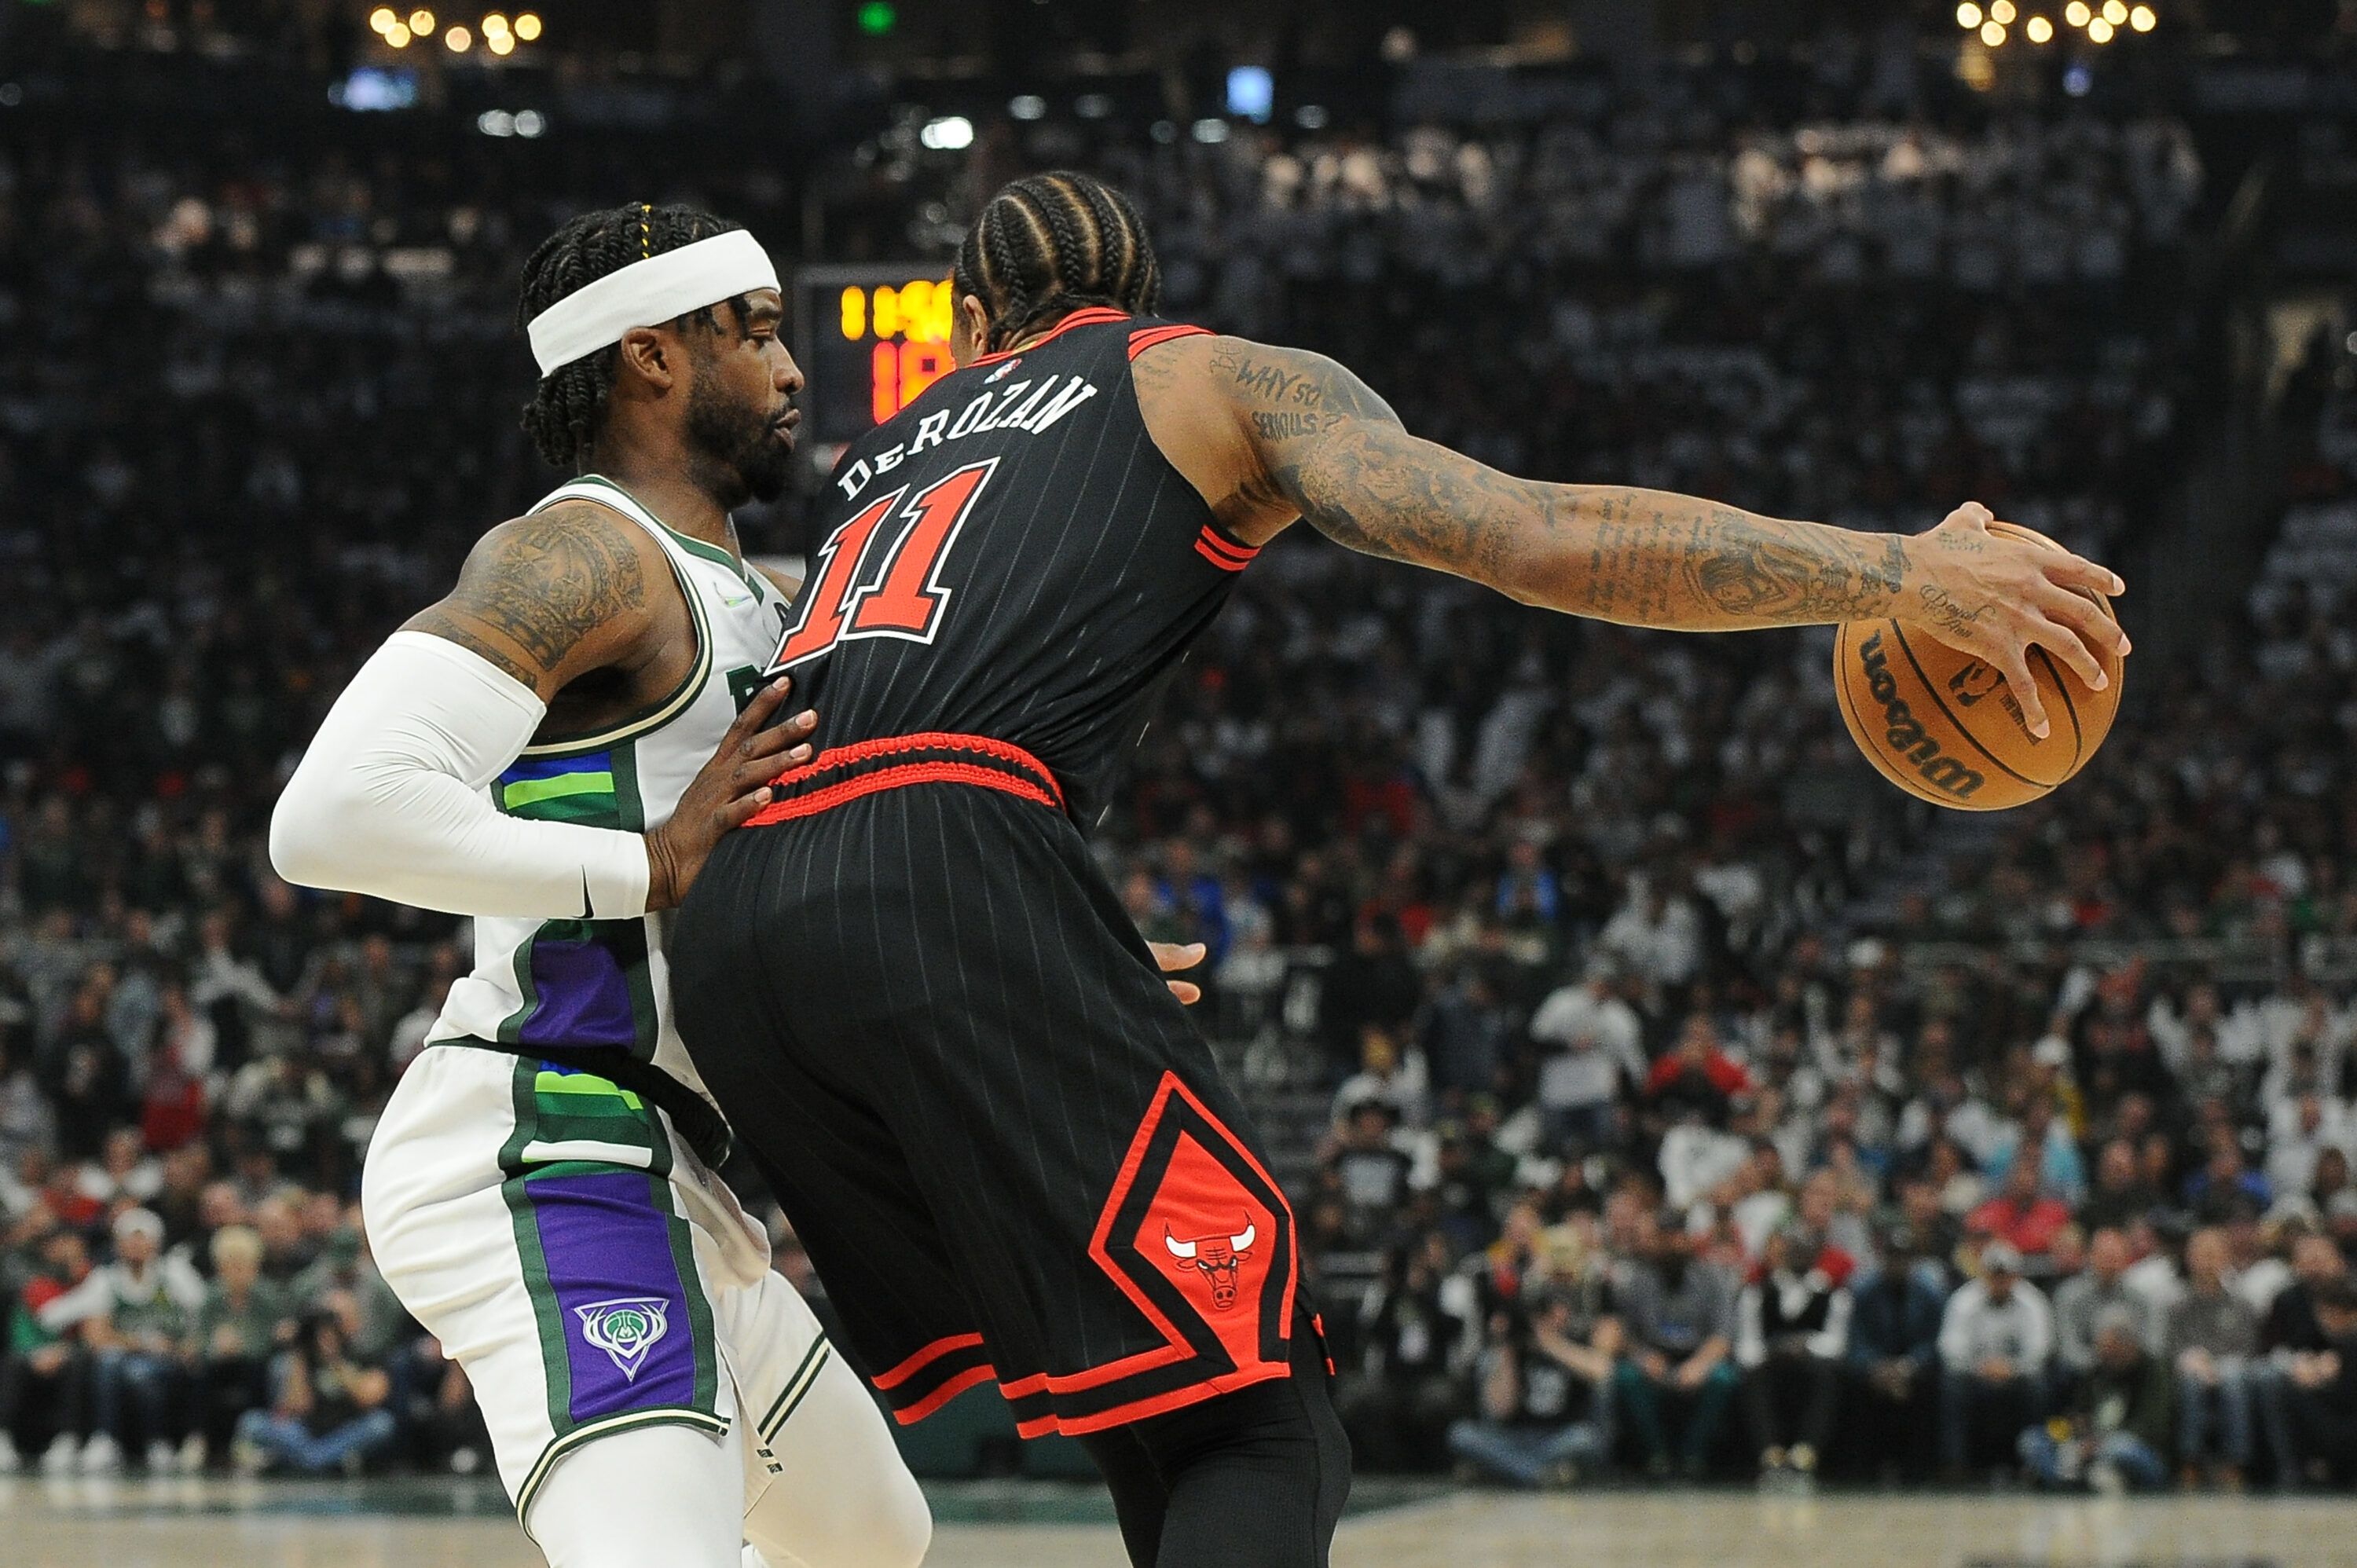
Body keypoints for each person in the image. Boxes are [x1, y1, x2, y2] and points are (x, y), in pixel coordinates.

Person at [662, 168, 2127, 1568]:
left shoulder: (877, 460)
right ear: (1147, 303)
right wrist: (1891, 568)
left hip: (744, 912)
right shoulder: (1210, 375)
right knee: (1265, 1423)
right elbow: (1530, 532)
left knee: (1151, 1404)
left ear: (971, 329)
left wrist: (1056, 930)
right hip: (948, 872)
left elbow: (883, 720)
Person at [269, 202, 940, 1568]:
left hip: (680, 1164)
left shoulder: (747, 588)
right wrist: (650, 860)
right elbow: (332, 814)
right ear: (653, 357)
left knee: (871, 1539)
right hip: (551, 1136)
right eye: (754, 331)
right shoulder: (584, 552)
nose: (792, 367)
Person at [38, 1206, 203, 1473]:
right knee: (111, 1362)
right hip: (127, 1359)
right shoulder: (107, 1279)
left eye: (142, 1237)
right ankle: (106, 1439)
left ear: (156, 1242)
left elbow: (203, 1315)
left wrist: (186, 1346)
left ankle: (159, 1441)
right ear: (118, 1244)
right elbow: (94, 1335)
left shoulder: (175, 1274)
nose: (136, 1244)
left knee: (137, 1371)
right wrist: (143, 1344)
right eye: (130, 1238)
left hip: (170, 1358)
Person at [1609, 1212, 1742, 1478]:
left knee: (1724, 1378)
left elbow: (1724, 1334)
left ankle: (1694, 1456)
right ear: (1656, 1241)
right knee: (1626, 1376)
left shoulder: (1711, 1277)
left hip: (1698, 1358)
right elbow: (1625, 1336)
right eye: (1666, 1238)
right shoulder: (1639, 1278)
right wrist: (1644, 1358)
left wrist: (1699, 1364)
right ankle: (1658, 1456)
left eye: (1679, 1237)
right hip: (1656, 1359)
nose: (1673, 1244)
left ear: (1689, 1240)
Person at [1446, 1294, 1616, 1488]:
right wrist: (1508, 1350)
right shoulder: (1511, 1350)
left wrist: (1551, 1345)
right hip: (1515, 1437)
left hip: (1559, 1437)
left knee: (1587, 1439)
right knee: (1460, 1434)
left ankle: (1507, 1469)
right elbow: (1500, 1410)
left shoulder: (1574, 1340)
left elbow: (1603, 1371)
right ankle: (1539, 1474)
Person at [1735, 1223, 1852, 1482]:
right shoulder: (1758, 1291)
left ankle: (1805, 1452)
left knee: (1828, 1375)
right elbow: (1747, 1345)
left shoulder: (1832, 1294)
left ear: (1815, 1254)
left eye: (1805, 1249)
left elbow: (1837, 1343)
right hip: (1770, 1365)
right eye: (1794, 1249)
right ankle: (1770, 1454)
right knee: (1754, 1375)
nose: (1799, 1255)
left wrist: (1806, 1345)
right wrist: (1773, 1352)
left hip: (1812, 1365)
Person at [2018, 1305, 2174, 1493]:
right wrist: (2069, 1429)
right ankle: (2063, 1484)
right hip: (2089, 1444)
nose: (2104, 1354)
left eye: (2110, 1349)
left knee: (2119, 1448)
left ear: (2129, 1345)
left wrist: (2100, 1442)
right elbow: (2077, 1412)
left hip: (2139, 1449)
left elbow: (2152, 1425)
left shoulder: (2154, 1371)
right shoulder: (2097, 1370)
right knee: (2034, 1439)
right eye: (2101, 1348)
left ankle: (2103, 1477)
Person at [233, 1310, 399, 1476]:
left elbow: (366, 1398)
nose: (327, 1338)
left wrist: (336, 1363)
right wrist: (298, 1351)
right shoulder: (301, 1359)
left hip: (345, 1430)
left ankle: (306, 1461)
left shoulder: (363, 1355)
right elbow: (300, 1406)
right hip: (306, 1432)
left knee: (381, 1423)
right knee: (252, 1422)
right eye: (322, 1332)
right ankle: (324, 1461)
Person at [1937, 1241, 2053, 1479]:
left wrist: (2011, 1368)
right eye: (1994, 1275)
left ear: (2016, 1276)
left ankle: (2033, 1464)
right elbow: (1951, 1349)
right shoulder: (1963, 1301)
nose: (2000, 1281)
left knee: (2039, 1386)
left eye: (2006, 1275)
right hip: (1975, 1375)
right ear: (1984, 1275)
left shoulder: (2033, 1302)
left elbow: (2041, 1350)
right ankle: (1955, 1464)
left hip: (2017, 1378)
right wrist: (1981, 1368)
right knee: (1951, 1385)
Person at [2168, 1225, 2260, 1488]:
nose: (2207, 1261)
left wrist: (2215, 1367)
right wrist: (2194, 1362)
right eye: (2201, 1254)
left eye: (2214, 1254)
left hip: (2230, 1371)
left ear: (2226, 1258)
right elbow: (2171, 1349)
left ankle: (2236, 1462)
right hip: (2190, 1372)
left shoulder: (2242, 1304)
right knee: (2190, 1379)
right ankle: (2189, 1460)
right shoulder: (2176, 1306)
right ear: (2189, 1258)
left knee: (2232, 1376)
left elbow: (2248, 1349)